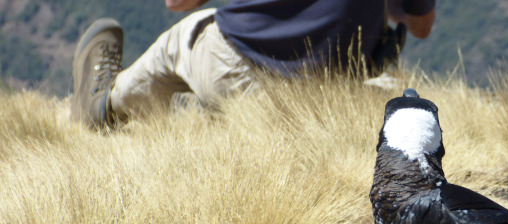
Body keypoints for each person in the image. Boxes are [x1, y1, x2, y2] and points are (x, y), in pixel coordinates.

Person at [70, 0, 436, 129]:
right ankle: (197, 109)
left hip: (232, 69)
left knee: (185, 34)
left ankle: (106, 105)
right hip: (324, 100)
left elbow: (178, 2)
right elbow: (420, 26)